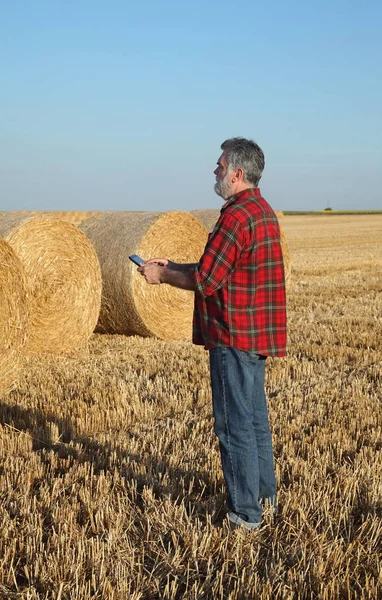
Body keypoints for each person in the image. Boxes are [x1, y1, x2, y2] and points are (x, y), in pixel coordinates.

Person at [138, 137, 287, 530]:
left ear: (237, 174)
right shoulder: (262, 210)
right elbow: (219, 266)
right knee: (254, 420)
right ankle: (264, 500)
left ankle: (244, 515)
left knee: (233, 425)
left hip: (232, 334)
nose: (215, 170)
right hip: (255, 334)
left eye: (220, 166)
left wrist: (161, 275)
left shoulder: (236, 216)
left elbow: (206, 278)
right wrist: (174, 263)